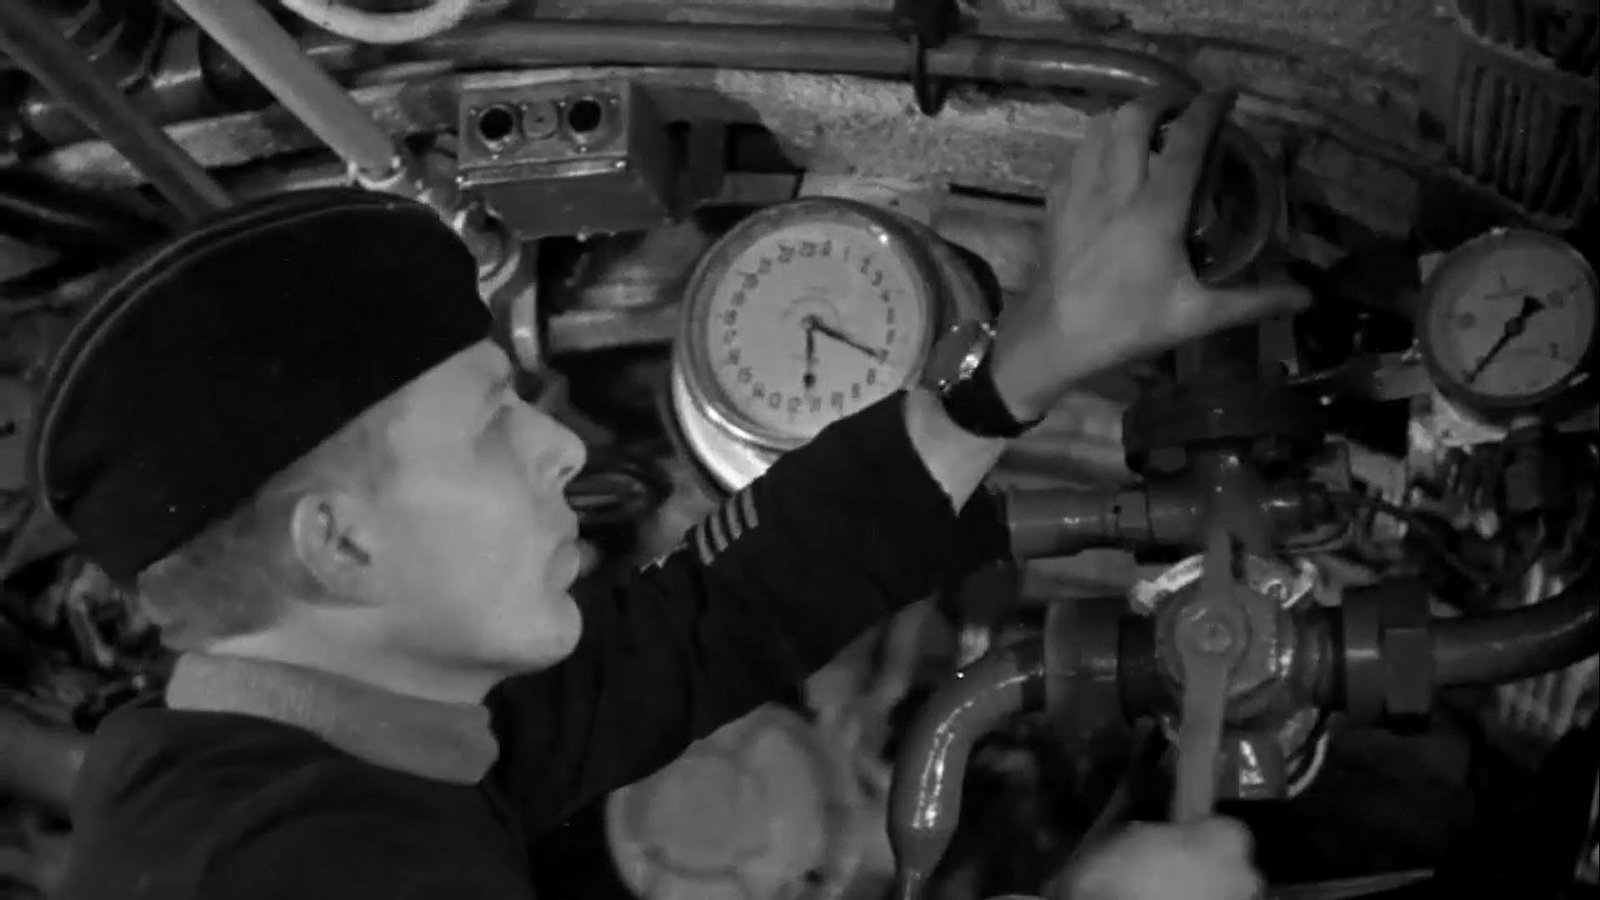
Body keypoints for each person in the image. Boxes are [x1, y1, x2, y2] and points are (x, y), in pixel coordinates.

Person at [39, 89, 1300, 900]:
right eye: (490, 426)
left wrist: (1032, 352)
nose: (562, 450)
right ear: (341, 544)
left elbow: (698, 627)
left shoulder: (342, 734)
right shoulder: (297, 873)